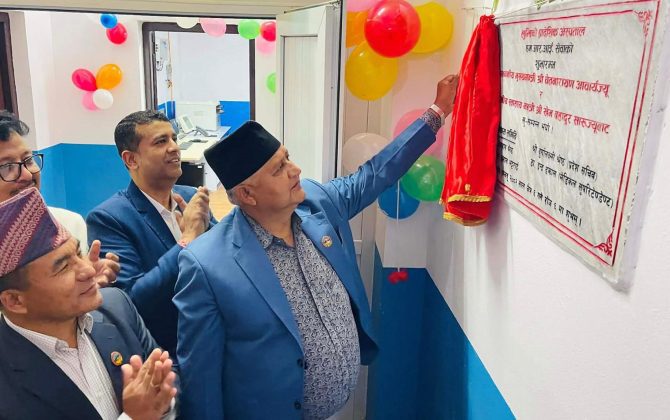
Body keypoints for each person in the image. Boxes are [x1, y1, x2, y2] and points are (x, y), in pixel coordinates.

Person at [174, 74, 459, 419]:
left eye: (288, 157)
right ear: (247, 194)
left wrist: (437, 113)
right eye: (279, 169)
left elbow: (376, 173)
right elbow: (200, 383)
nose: (295, 170)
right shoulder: (207, 266)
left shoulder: (317, 202)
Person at [0, 187, 177, 420]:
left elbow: (169, 379)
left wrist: (163, 401)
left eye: (79, 253)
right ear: (14, 300)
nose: (88, 270)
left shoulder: (116, 307)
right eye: (64, 267)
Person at [87, 110, 215, 357]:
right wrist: (187, 241)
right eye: (161, 142)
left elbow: (224, 254)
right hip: (169, 350)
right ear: (131, 159)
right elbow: (133, 300)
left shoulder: (190, 196)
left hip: (214, 328)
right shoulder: (109, 218)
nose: (174, 148)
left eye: (174, 138)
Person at [0, 111, 119, 287]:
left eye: (28, 160)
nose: (27, 174)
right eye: (7, 167)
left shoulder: (69, 223)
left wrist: (87, 281)